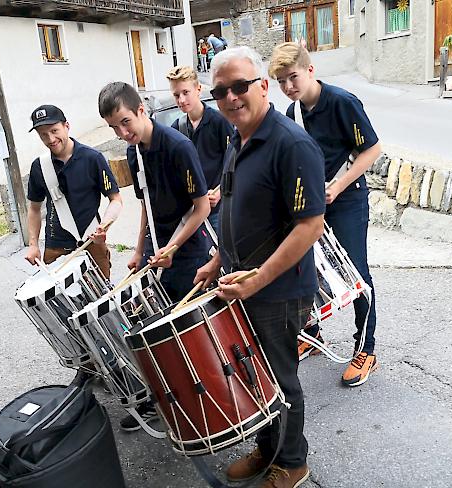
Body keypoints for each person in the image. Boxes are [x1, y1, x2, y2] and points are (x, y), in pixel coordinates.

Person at [194, 46, 325, 488]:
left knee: (281, 378)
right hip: (241, 284)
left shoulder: (291, 143)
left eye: (239, 87)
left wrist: (259, 278)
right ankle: (269, 448)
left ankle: (292, 462)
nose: (230, 98)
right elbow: (235, 211)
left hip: (279, 288)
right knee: (256, 375)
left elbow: (310, 226)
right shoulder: (238, 137)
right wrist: (216, 261)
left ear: (262, 86)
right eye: (220, 92)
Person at [98, 81, 211, 431]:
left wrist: (173, 247)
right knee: (153, 330)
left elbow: (202, 207)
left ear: (142, 111)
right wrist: (138, 249)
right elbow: (145, 204)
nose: (122, 132)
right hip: (158, 251)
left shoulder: (179, 146)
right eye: (114, 127)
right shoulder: (134, 153)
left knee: (190, 333)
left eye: (126, 121)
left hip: (189, 251)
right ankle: (167, 398)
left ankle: (205, 400)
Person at [269, 42, 382, 387]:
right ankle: (313, 335)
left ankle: (366, 350)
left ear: (310, 70)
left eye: (293, 77)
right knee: (308, 271)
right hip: (312, 204)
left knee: (356, 274)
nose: (289, 87)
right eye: (281, 82)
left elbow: (373, 149)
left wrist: (339, 185)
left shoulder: (342, 102)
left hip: (348, 199)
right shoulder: (293, 113)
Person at [25, 104, 122, 278]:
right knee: (63, 302)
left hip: (92, 240)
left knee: (102, 298)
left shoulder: (93, 158)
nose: (51, 139)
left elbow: (115, 199)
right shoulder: (39, 167)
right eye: (43, 135)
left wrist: (104, 226)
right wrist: (33, 245)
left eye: (54, 130)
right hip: (55, 247)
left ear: (66, 126)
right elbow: (34, 208)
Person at [166, 65, 234, 236]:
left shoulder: (220, 122)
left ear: (198, 89)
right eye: (176, 95)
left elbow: (235, 162)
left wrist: (220, 191)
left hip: (219, 208)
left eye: (185, 92)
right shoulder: (176, 128)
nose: (181, 100)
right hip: (192, 211)